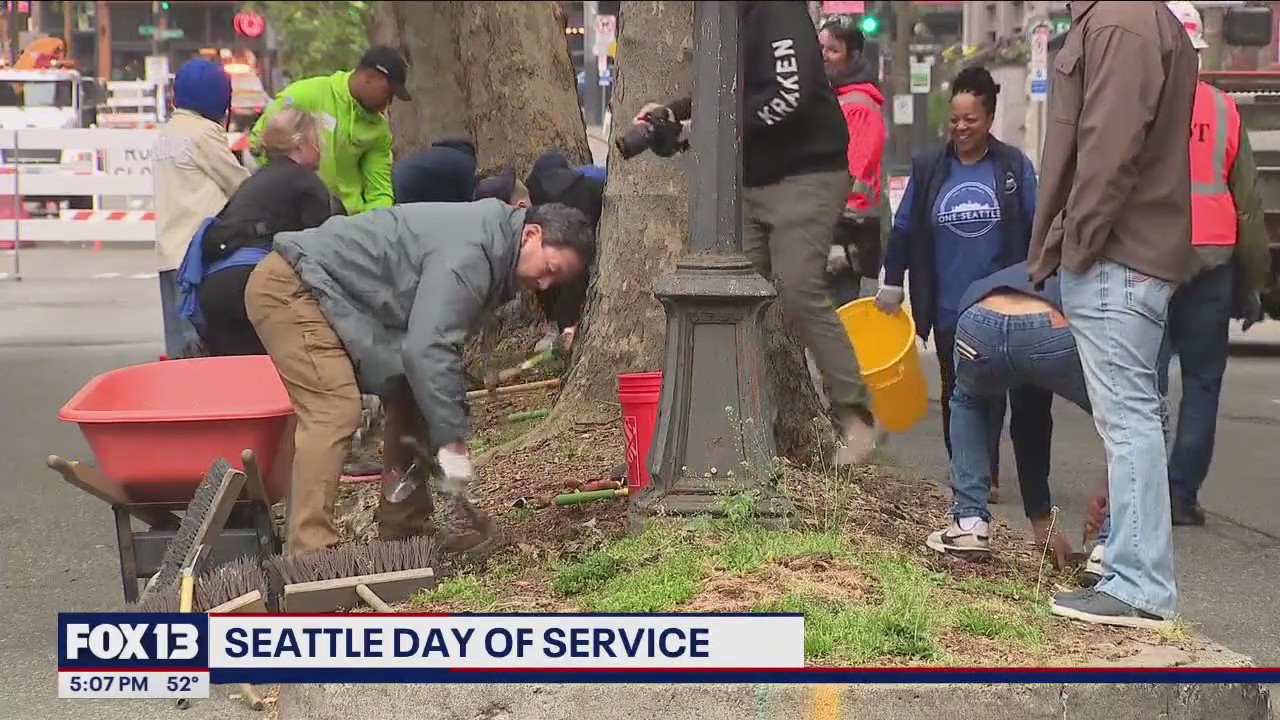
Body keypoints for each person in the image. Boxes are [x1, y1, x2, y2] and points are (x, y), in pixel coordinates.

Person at [244, 200, 595, 556]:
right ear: (532, 234)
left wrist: (444, 419)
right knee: (333, 410)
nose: (544, 282)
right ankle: (309, 554)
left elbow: (429, 354)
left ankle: (404, 531)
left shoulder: (492, 246)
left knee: (413, 393)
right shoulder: (471, 255)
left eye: (556, 280)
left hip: (334, 293)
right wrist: (452, 440)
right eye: (549, 268)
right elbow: (428, 348)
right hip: (291, 286)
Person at [631, 0, 877, 463]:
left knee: (799, 287)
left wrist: (693, 129)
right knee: (724, 288)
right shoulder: (724, 21)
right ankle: (728, 420)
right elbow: (729, 94)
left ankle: (855, 415)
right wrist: (673, 113)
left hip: (807, 173)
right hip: (749, 180)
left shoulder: (775, 10)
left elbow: (788, 93)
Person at [1028, 0, 1198, 629]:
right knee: (1133, 418)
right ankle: (1131, 571)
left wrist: (1075, 245)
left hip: (1115, 255)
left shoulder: (1119, 22)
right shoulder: (1138, 19)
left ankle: (1138, 582)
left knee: (1128, 421)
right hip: (1129, 252)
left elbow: (1107, 148)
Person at [876, 66, 1041, 503]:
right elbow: (905, 228)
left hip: (1000, 304)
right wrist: (893, 281)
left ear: (988, 119)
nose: (961, 128)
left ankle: (986, 469)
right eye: (954, 120)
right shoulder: (930, 168)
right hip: (948, 304)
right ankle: (967, 469)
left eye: (970, 119)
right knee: (956, 391)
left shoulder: (1012, 167)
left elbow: (1038, 225)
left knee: (995, 389)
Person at [1156, 1, 1273, 527]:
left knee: (1144, 381)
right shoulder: (1224, 111)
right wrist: (1254, 281)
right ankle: (1180, 495)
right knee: (1202, 382)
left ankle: (1144, 492)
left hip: (1152, 259)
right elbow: (1247, 201)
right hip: (1212, 261)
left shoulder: (1141, 107)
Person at [926, 262, 1088, 570]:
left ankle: (969, 523)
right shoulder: (1095, 278)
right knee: (1123, 422)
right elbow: (1031, 421)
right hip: (1052, 327)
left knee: (968, 401)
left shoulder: (1016, 270)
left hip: (977, 320)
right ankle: (1108, 546)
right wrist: (1042, 521)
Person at [179, 108, 341, 357]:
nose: (321, 148)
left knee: (236, 378)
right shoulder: (306, 183)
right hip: (254, 284)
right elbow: (319, 256)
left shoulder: (253, 182)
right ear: (300, 144)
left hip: (213, 289)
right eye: (317, 140)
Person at [153, 58, 250, 359]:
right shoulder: (203, 133)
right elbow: (239, 184)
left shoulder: (166, 135)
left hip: (169, 253)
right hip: (200, 256)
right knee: (202, 343)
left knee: (179, 343)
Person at [249, 45, 409, 215]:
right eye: (387, 92)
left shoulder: (378, 130)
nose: (388, 102)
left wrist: (377, 227)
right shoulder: (306, 95)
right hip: (297, 215)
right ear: (368, 77)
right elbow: (258, 143)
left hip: (349, 221)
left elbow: (379, 191)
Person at [818, 18, 887, 307]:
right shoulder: (836, 98)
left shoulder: (857, 105)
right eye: (820, 47)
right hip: (837, 232)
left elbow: (853, 174)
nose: (822, 56)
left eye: (832, 50)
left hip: (848, 237)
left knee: (845, 322)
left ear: (854, 56)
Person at [392, 138, 478, 204]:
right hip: (404, 189)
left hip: (394, 179)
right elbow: (472, 203)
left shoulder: (447, 155)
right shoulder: (467, 165)